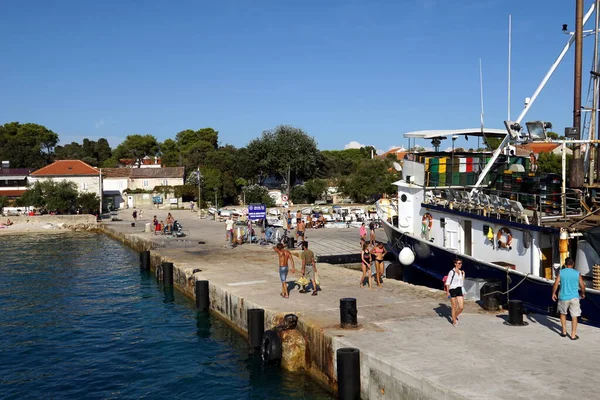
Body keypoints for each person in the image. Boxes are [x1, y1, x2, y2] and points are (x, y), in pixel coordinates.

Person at [552, 257, 586, 339]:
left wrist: (553, 293)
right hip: (574, 297)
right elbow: (582, 285)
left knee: (563, 314)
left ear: (565, 264)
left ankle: (563, 332)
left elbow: (556, 284)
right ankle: (573, 335)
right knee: (574, 316)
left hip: (563, 297)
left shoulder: (561, 272)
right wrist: (583, 293)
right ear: (573, 264)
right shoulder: (577, 273)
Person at [445, 259, 465, 327]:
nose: (460, 265)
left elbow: (461, 282)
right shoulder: (451, 272)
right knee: (454, 306)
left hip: (459, 289)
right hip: (452, 289)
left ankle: (454, 316)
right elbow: (447, 282)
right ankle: (454, 321)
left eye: (461, 263)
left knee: (461, 307)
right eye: (459, 263)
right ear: (455, 264)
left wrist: (463, 275)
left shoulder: (460, 272)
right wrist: (447, 292)